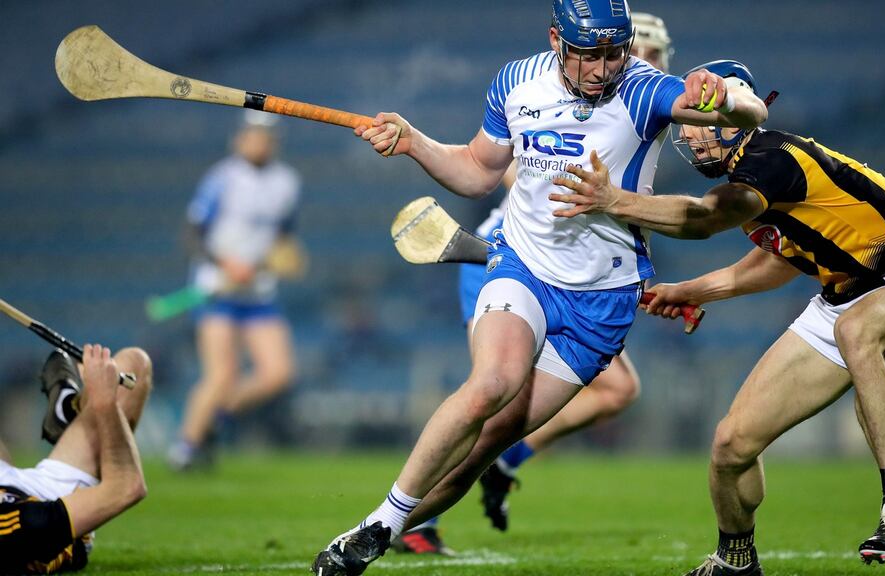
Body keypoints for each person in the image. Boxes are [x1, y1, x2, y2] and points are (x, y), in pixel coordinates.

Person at [311, 2, 766, 574]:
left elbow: (748, 115)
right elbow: (478, 170)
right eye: (588, 54)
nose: (603, 68)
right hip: (521, 265)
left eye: (613, 53)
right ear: (556, 39)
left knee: (488, 443)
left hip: (601, 302)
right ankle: (377, 525)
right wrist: (414, 142)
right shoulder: (516, 82)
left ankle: (394, 525)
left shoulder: (643, 90)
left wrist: (724, 95)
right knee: (490, 386)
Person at [548, 60, 885, 575]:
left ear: (732, 119)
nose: (693, 140)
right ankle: (736, 559)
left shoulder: (772, 157)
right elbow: (773, 265)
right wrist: (688, 290)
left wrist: (615, 201)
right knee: (730, 446)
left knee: (857, 331)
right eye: (688, 131)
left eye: (701, 128)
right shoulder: (756, 178)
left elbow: (705, 219)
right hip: (842, 301)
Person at [394, 11, 675, 555]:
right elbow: (500, 168)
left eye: (651, 56)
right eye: (641, 53)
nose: (642, 65)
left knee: (608, 390)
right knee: (493, 397)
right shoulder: (555, 95)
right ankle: (415, 512)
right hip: (510, 262)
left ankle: (485, 470)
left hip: (570, 278)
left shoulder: (636, 106)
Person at [167, 111, 304, 471]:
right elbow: (192, 234)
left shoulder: (287, 183)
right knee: (221, 374)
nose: (259, 142)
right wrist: (226, 264)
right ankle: (186, 448)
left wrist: (286, 257)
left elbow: (283, 238)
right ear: (240, 138)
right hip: (216, 290)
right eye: (253, 135)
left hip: (258, 292)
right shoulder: (222, 178)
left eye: (266, 136)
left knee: (278, 373)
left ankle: (215, 418)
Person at [0, 344, 151, 574]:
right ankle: (70, 413)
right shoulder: (27, 527)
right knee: (134, 365)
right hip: (54, 497)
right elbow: (126, 487)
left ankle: (68, 411)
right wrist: (103, 403)